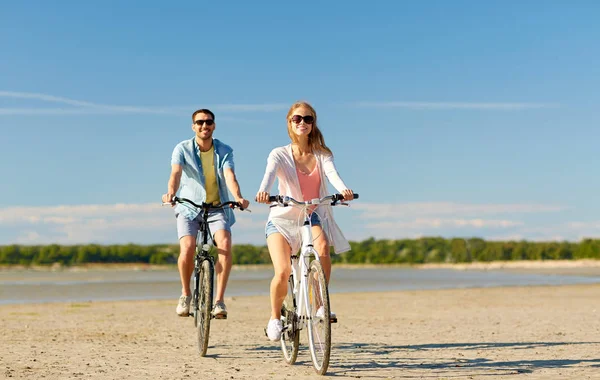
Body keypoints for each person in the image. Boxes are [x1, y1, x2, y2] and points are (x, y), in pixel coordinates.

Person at [255, 101, 355, 341]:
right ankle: (274, 318)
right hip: (282, 219)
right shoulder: (278, 153)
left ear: (313, 123)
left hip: (311, 215)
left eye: (308, 119)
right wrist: (262, 192)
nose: (302, 123)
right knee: (283, 272)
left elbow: (333, 175)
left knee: (322, 249)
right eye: (297, 119)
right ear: (289, 123)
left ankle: (321, 304)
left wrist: (343, 190)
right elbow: (269, 175)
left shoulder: (322, 154)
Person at [162, 108, 249, 318]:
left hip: (217, 206)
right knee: (188, 247)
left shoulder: (224, 150)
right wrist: (170, 194)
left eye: (208, 122)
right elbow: (176, 173)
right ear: (193, 126)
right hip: (188, 206)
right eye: (200, 122)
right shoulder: (182, 148)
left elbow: (229, 175)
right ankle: (185, 293)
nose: (204, 126)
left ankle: (219, 301)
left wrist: (238, 196)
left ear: (214, 126)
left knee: (225, 245)